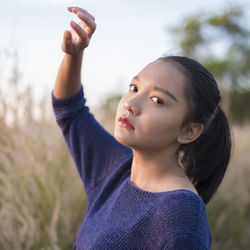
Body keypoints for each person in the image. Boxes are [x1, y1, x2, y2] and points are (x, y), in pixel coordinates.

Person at [52, 6, 232, 250]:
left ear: (189, 131)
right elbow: (70, 112)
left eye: (157, 100)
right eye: (134, 88)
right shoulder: (117, 167)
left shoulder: (181, 220)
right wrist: (74, 55)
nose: (131, 104)